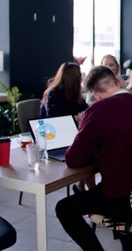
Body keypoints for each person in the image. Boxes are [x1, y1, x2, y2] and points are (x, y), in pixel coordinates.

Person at [55, 66, 132, 251]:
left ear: (95, 95)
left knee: (64, 208)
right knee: (118, 181)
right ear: (119, 82)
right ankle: (128, 245)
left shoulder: (97, 110)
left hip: (125, 202)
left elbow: (73, 159)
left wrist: (83, 128)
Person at [40, 62, 93, 191]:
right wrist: (76, 117)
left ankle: (82, 188)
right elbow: (54, 120)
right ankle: (91, 190)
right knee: (85, 151)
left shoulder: (74, 93)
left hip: (71, 132)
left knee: (89, 148)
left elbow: (85, 110)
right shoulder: (53, 94)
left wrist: (86, 113)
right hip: (52, 135)